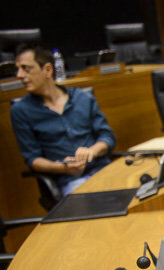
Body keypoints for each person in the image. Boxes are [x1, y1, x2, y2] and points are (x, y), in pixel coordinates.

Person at [10, 44, 116, 197]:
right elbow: (33, 160)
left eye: (26, 69)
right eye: (17, 69)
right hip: (71, 181)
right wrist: (64, 168)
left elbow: (107, 137)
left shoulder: (82, 98)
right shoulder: (21, 111)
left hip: (104, 171)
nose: (19, 75)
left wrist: (92, 151)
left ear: (47, 70)